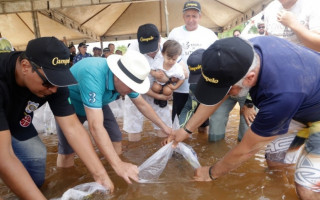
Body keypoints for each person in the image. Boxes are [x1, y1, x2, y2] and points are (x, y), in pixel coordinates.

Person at [168, 36, 320, 199]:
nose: (226, 94)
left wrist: (211, 172)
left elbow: (248, 149)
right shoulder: (243, 52)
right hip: (301, 103)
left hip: (308, 109)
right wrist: (186, 129)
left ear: (250, 78)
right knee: (275, 160)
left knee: (306, 188)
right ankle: (282, 191)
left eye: (229, 89)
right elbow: (219, 95)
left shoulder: (280, 95)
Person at [0, 37, 118, 199]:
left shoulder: (54, 82)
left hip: (18, 119)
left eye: (59, 82)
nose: (54, 90)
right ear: (26, 66)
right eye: (48, 83)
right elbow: (4, 156)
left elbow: (73, 128)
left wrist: (101, 175)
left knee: (37, 155)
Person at [56, 50, 171, 186]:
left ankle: (112, 174)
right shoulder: (93, 73)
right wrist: (119, 165)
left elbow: (142, 104)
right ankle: (65, 183)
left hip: (99, 102)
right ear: (117, 76)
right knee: (68, 151)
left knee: (116, 137)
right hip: (71, 104)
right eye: (131, 87)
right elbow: (95, 127)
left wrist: (166, 128)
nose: (132, 90)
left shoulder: (128, 78)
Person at [168, 0, 218, 125]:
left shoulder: (209, 34)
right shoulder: (174, 33)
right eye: (188, 16)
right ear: (183, 16)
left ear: (200, 17)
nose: (191, 19)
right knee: (179, 123)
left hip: (202, 85)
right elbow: (167, 56)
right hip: (180, 86)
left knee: (202, 123)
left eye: (194, 16)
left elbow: (217, 57)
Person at [123, 23, 174, 141]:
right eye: (146, 49)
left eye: (153, 49)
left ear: (160, 40)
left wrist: (168, 86)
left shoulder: (169, 47)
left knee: (164, 126)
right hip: (136, 91)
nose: (150, 53)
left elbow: (181, 72)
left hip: (159, 88)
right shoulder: (132, 51)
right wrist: (158, 96)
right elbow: (137, 85)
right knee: (134, 126)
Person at [179, 48, 209, 132]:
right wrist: (180, 129)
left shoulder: (223, 70)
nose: (198, 81)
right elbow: (189, 107)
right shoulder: (195, 85)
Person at [151, 40, 185, 108]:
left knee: (167, 91)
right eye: (168, 58)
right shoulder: (159, 61)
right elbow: (151, 70)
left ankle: (164, 99)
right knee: (155, 87)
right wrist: (155, 74)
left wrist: (175, 87)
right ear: (163, 54)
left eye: (174, 59)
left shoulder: (177, 68)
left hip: (168, 83)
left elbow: (182, 78)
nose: (171, 61)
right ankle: (157, 97)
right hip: (158, 82)